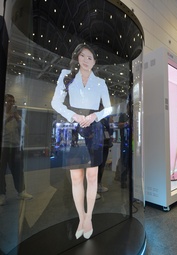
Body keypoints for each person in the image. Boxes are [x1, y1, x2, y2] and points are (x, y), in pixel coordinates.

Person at [51, 43, 112, 240]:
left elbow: (109, 109)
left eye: (90, 57)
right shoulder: (66, 75)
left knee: (92, 177)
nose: (86, 60)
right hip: (74, 127)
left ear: (95, 62)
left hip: (93, 127)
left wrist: (95, 116)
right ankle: (81, 218)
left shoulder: (101, 82)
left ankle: (89, 218)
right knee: (76, 177)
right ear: (78, 57)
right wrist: (73, 115)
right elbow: (55, 102)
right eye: (83, 56)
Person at [0, 94, 33, 206]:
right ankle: (2, 195)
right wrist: (8, 116)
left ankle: (21, 192)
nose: (12, 103)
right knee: (1, 172)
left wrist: (18, 117)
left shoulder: (16, 116)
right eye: (9, 101)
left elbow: (26, 130)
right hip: (3, 147)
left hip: (15, 147)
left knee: (18, 171)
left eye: (13, 101)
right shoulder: (5, 115)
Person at [96, 115, 113, 199]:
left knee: (102, 165)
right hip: (96, 146)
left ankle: (98, 184)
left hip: (105, 144)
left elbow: (110, 131)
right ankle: (92, 189)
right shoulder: (92, 118)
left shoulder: (105, 120)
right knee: (95, 166)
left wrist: (110, 123)